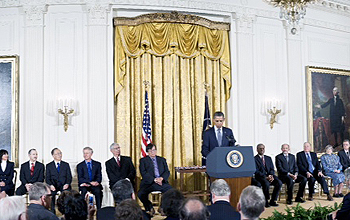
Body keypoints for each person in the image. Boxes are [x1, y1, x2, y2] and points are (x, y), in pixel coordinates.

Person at [138, 143, 172, 215]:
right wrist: (155, 180)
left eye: (154, 150)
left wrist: (161, 178)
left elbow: (167, 171)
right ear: (147, 152)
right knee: (141, 194)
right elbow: (143, 173)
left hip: (161, 182)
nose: (153, 152)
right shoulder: (143, 161)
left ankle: (162, 207)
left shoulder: (162, 160)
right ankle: (149, 207)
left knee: (170, 191)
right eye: (151, 150)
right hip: (149, 183)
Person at [46, 148, 72, 213]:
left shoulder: (66, 165)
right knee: (51, 193)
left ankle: (66, 211)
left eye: (60, 153)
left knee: (66, 193)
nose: (60, 155)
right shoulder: (49, 166)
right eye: (57, 154)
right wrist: (51, 185)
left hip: (64, 185)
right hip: (53, 185)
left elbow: (69, 177)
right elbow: (47, 178)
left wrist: (67, 184)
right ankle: (52, 211)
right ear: (53, 155)